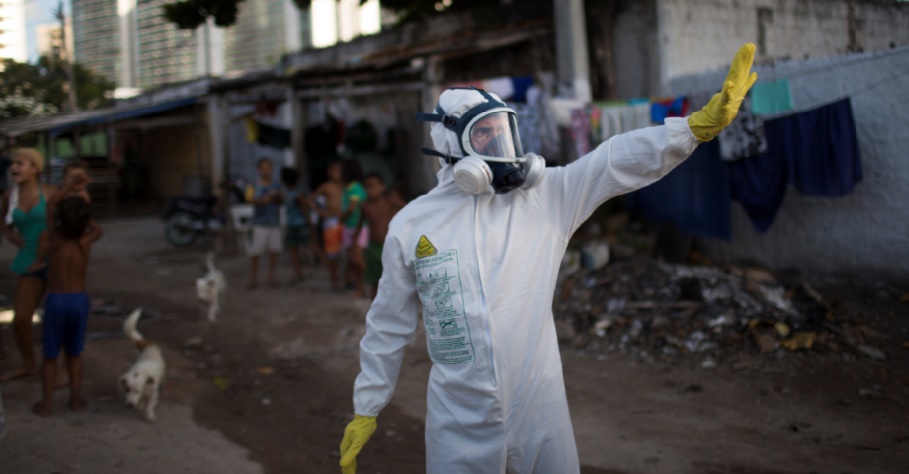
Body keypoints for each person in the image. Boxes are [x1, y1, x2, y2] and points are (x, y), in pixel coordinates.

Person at [338, 45, 758, 473]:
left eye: (502, 131)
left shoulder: (545, 198)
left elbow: (611, 162)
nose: (498, 145)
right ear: (450, 143)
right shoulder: (412, 225)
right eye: (482, 135)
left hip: (540, 407)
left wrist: (691, 129)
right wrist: (366, 407)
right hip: (457, 420)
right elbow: (388, 324)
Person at [30, 177, 103, 416]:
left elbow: (51, 205)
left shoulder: (53, 239)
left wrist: (69, 188)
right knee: (74, 353)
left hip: (57, 300)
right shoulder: (86, 240)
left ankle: (47, 405)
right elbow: (99, 229)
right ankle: (74, 400)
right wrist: (83, 217)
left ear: (60, 219)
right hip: (79, 300)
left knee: (50, 356)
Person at [0, 148, 58, 382]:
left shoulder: (52, 193)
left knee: (59, 316)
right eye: (13, 163)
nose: (14, 167)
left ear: (35, 168)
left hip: (54, 261)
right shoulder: (8, 197)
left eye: (20, 163)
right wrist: (10, 236)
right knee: (21, 319)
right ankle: (28, 364)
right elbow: (3, 224)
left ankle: (63, 366)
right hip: (27, 262)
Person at [355, 173, 402, 298]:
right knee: (374, 280)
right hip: (372, 248)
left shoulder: (390, 202)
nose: (369, 190)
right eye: (367, 187)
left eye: (373, 186)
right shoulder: (365, 206)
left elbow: (409, 210)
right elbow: (359, 226)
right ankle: (375, 307)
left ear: (382, 187)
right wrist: (356, 246)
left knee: (393, 279)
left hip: (389, 246)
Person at [246, 158, 283, 289]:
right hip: (259, 223)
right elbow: (249, 200)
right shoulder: (253, 185)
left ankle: (271, 278)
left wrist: (277, 196)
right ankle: (253, 279)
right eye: (264, 168)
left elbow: (281, 200)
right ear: (259, 170)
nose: (266, 171)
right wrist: (263, 199)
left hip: (274, 222)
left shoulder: (276, 185)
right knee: (255, 252)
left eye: (268, 168)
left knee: (274, 251)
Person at [310, 161, 344, 291]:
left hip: (344, 222)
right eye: (335, 171)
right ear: (329, 172)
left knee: (345, 255)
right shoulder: (326, 187)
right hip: (330, 223)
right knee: (332, 255)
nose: (338, 174)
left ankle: (345, 280)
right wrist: (320, 212)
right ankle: (334, 282)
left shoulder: (345, 186)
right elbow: (310, 200)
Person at [340, 160, 368, 297]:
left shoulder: (355, 188)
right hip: (352, 226)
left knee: (357, 259)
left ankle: (365, 286)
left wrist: (342, 217)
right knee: (354, 259)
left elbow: (352, 207)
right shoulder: (350, 187)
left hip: (356, 227)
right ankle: (360, 287)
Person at [280, 167, 311, 284]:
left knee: (307, 247)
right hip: (294, 224)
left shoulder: (294, 193)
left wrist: (310, 225)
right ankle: (298, 273)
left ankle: (298, 273)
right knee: (294, 249)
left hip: (299, 224)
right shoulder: (288, 192)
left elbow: (304, 210)